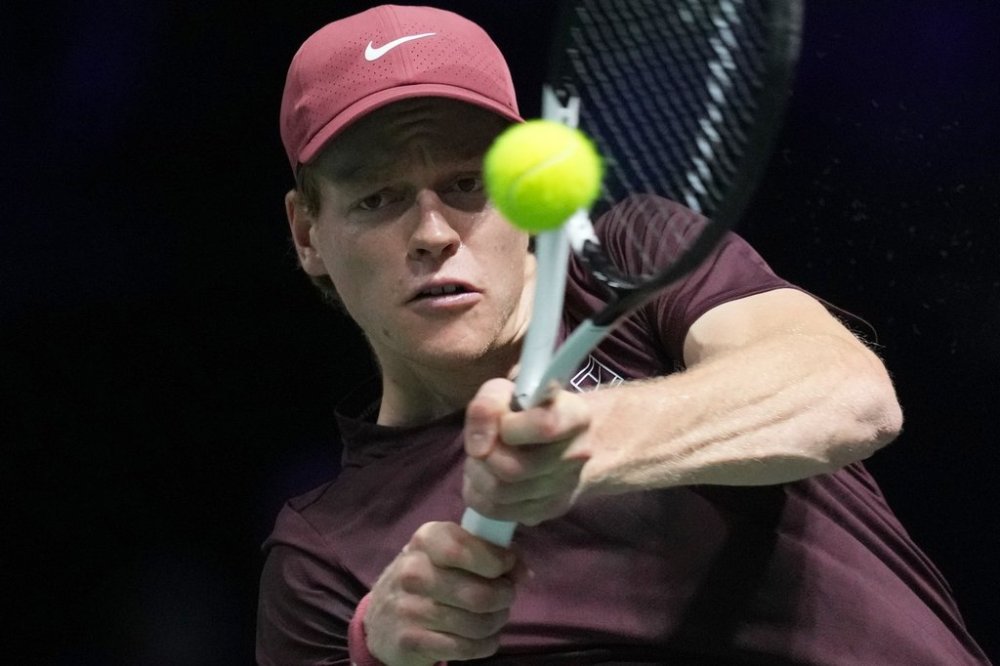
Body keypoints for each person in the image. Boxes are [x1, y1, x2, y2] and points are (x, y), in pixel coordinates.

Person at [257, 5, 990, 665]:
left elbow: (849, 396)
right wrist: (381, 652)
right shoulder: (324, 560)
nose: (432, 233)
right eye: (377, 197)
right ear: (307, 233)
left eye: (467, 184)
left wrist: (593, 442)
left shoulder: (634, 263)